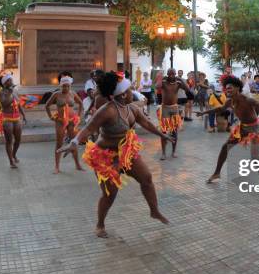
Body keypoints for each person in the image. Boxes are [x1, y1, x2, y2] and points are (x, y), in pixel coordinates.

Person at [60, 72, 174, 237]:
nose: (132, 90)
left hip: (126, 152)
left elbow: (146, 123)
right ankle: (100, 224)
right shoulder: (107, 111)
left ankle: (154, 211)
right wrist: (74, 142)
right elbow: (88, 129)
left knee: (147, 178)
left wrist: (161, 135)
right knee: (110, 193)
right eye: (129, 89)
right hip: (105, 156)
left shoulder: (132, 108)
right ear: (121, 94)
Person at [198, 75, 259, 184]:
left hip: (254, 128)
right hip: (242, 127)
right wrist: (204, 112)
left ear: (237, 88)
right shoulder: (229, 101)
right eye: (226, 88)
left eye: (230, 88)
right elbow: (220, 108)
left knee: (254, 159)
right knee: (225, 147)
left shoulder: (247, 99)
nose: (227, 90)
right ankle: (217, 173)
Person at [46, 76, 84, 174]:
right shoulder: (56, 95)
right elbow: (47, 105)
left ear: (70, 86)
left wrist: (79, 116)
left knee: (73, 142)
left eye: (67, 86)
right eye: (63, 86)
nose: (65, 88)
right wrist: (50, 116)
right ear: (60, 86)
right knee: (59, 143)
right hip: (60, 121)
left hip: (71, 121)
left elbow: (81, 104)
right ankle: (57, 166)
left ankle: (77, 164)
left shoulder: (73, 93)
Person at [156, 68, 192, 160]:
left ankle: (173, 152)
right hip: (165, 108)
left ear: (175, 74)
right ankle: (163, 153)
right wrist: (160, 78)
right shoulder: (164, 82)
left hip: (174, 108)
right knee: (163, 131)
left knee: (174, 131)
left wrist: (180, 80)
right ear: (167, 74)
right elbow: (157, 86)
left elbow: (187, 89)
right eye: (169, 74)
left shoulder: (178, 83)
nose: (171, 76)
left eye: (173, 74)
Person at [0, 74, 26, 168]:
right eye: (9, 80)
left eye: (11, 80)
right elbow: (4, 104)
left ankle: (13, 154)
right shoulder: (1, 93)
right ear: (4, 83)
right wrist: (9, 93)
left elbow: (19, 104)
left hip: (17, 118)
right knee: (9, 141)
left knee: (18, 140)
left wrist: (24, 115)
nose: (11, 81)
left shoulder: (15, 91)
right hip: (7, 119)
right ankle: (11, 161)